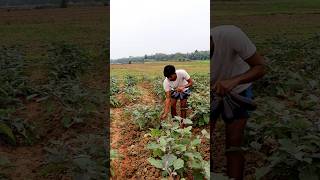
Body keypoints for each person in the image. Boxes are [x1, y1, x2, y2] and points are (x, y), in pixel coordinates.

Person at [210, 25, 266, 180]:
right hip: (212, 93)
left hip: (239, 89)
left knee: (234, 143)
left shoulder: (231, 35)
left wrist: (234, 81)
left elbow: (260, 67)